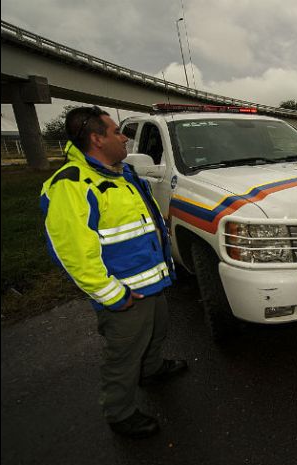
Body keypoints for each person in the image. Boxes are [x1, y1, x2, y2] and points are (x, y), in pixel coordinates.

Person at [39, 106, 188, 438]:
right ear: (96, 138)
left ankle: (151, 371)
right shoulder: (71, 185)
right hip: (124, 294)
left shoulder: (121, 173)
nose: (124, 137)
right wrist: (112, 296)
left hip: (151, 283)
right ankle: (119, 412)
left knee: (156, 334)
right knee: (123, 355)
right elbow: (74, 253)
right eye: (116, 131)